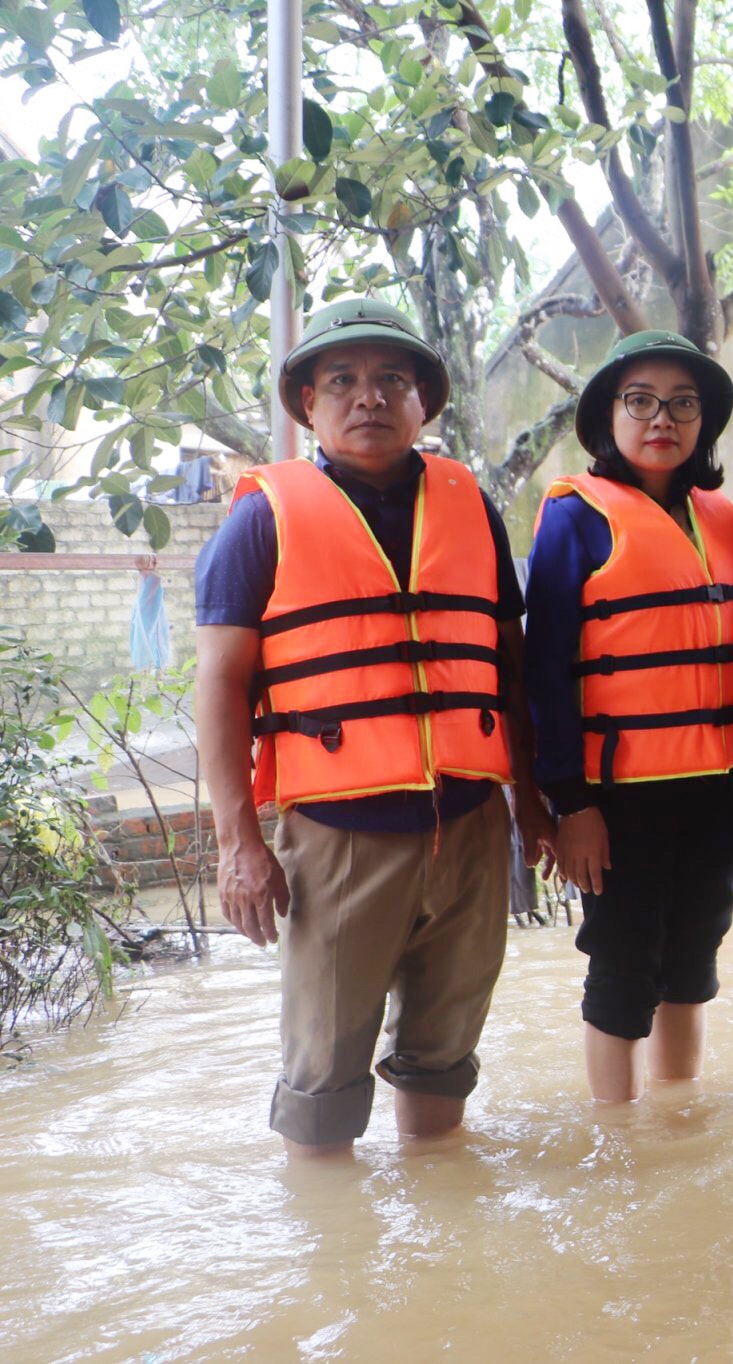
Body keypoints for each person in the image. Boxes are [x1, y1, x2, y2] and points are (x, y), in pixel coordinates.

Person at [195, 299, 550, 1157]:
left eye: (393, 379)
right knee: (323, 1082)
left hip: (468, 829)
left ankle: (435, 1254)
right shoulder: (262, 519)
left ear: (423, 401)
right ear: (307, 405)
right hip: (338, 839)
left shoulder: (470, 505)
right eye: (343, 382)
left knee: (443, 1062)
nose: (369, 399)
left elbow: (508, 669)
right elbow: (220, 683)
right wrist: (240, 842)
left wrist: (531, 805)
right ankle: (334, 1260)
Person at [524, 331, 733, 1101]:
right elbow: (546, 673)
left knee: (695, 959)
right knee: (624, 964)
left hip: (715, 788)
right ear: (608, 417)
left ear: (704, 423)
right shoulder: (576, 517)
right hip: (617, 797)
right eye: (641, 401)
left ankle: (679, 1120)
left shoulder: (725, 519)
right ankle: (617, 1145)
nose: (662, 418)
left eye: (683, 404)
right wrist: (572, 805)